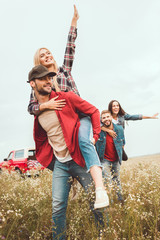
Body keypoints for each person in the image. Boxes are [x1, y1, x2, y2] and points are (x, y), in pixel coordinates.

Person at [27, 5, 106, 204]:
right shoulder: (39, 84)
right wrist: (45, 106)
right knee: (58, 151)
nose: (47, 56)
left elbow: (70, 47)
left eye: (48, 53)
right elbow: (31, 108)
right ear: (39, 63)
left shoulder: (64, 71)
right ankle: (71, 180)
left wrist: (74, 22)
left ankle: (99, 185)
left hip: (79, 116)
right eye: (42, 55)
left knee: (83, 141)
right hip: (63, 121)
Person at [27, 65, 109, 239]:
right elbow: (42, 140)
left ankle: (103, 233)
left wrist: (94, 136)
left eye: (50, 78)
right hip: (61, 164)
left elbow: (93, 111)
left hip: (79, 160)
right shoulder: (38, 112)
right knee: (57, 206)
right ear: (32, 84)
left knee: (94, 200)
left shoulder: (66, 98)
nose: (49, 81)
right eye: (43, 79)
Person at [96, 110, 125, 203]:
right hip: (104, 160)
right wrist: (106, 130)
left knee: (117, 180)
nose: (106, 119)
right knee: (107, 181)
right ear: (101, 120)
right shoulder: (99, 131)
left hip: (116, 159)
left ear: (111, 117)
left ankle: (121, 201)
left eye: (108, 117)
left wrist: (120, 153)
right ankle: (110, 202)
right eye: (104, 118)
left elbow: (123, 142)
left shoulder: (119, 129)